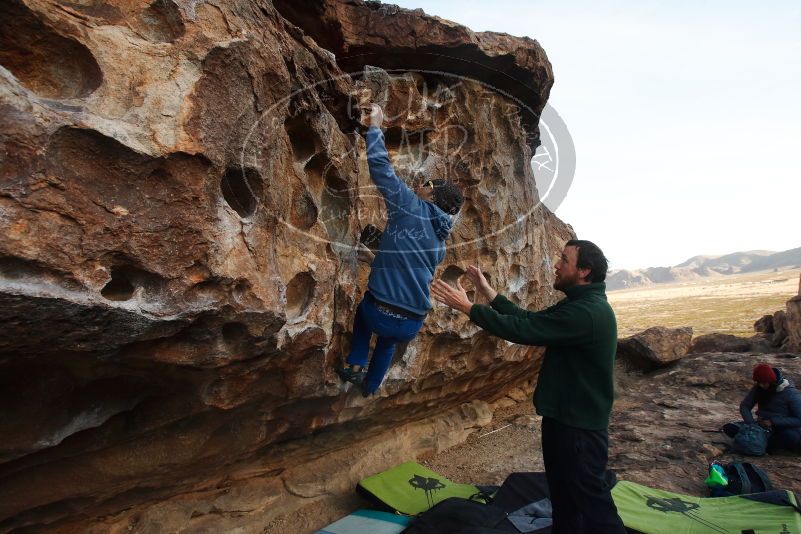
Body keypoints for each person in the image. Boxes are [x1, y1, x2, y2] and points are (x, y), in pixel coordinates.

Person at [431, 240, 626, 534]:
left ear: (584, 271)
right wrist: (488, 293)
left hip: (579, 430)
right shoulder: (579, 304)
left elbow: (524, 330)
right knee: (563, 499)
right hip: (564, 421)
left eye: (565, 260)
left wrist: (468, 308)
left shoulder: (587, 313)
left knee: (593, 505)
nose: (557, 265)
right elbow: (530, 319)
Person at [336, 104, 464, 396]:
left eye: (426, 183)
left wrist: (376, 126)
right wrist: (374, 258)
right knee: (388, 342)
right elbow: (408, 265)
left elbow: (381, 170)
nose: (420, 184)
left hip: (377, 313)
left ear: (432, 193)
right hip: (411, 323)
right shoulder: (441, 241)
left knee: (363, 313)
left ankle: (354, 364)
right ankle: (370, 387)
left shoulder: (410, 205)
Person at [722, 363, 801, 452]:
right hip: (762, 426)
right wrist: (751, 424)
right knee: (729, 428)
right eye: (759, 383)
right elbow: (745, 406)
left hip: (783, 427)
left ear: (772, 381)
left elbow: (799, 419)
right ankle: (758, 441)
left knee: (792, 437)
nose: (761, 386)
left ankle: (759, 443)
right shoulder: (759, 388)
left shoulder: (791, 394)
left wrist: (773, 422)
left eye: (764, 383)